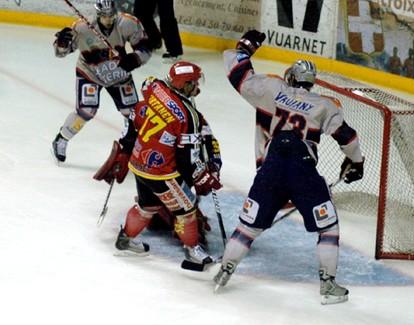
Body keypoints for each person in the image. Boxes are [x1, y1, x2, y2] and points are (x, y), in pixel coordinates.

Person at [214, 30, 364, 305]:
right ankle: (328, 286)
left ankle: (224, 272)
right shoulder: (325, 104)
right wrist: (356, 162)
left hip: (270, 167)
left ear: (291, 77)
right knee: (328, 226)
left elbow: (237, 72)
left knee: (249, 227)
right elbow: (348, 138)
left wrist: (245, 48)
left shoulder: (271, 89)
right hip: (302, 167)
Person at [93, 61, 223, 267]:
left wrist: (126, 147)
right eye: (194, 83)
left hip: (138, 164)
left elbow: (134, 119)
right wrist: (199, 177)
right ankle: (192, 250)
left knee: (147, 206)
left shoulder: (155, 89)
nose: (197, 87)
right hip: (162, 174)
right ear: (184, 84)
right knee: (186, 210)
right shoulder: (188, 116)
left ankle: (125, 239)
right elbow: (186, 155)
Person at [51, 0, 151, 163]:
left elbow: (146, 47)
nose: (109, 19)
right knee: (86, 111)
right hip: (90, 73)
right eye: (104, 16)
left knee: (133, 112)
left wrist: (134, 59)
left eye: (112, 15)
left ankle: (131, 143)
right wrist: (62, 42)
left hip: (118, 73)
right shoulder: (82, 27)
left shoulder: (128, 23)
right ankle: (61, 139)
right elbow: (60, 53)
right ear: (98, 15)